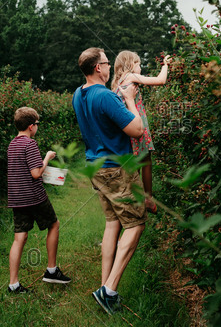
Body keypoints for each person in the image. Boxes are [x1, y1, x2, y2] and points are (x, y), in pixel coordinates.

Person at [72, 47, 146, 315]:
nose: (108, 65)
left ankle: (104, 284)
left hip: (96, 166)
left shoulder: (78, 94)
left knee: (113, 222)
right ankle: (109, 290)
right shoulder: (105, 96)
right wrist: (129, 100)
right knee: (135, 224)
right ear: (97, 68)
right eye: (105, 61)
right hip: (117, 168)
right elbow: (137, 130)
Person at [7, 106, 71, 294]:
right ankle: (51, 271)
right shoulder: (30, 144)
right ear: (30, 127)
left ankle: (13, 284)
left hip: (17, 198)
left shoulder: (12, 144)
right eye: (37, 124)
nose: (37, 127)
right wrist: (47, 158)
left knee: (19, 238)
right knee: (54, 224)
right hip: (34, 197)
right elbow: (36, 173)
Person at [111, 51, 172, 214]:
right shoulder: (130, 77)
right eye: (138, 63)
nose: (140, 66)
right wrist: (165, 65)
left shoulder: (117, 83)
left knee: (135, 164)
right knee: (146, 161)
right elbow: (161, 80)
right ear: (130, 65)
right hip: (137, 124)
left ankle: (133, 200)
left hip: (126, 128)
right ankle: (148, 199)